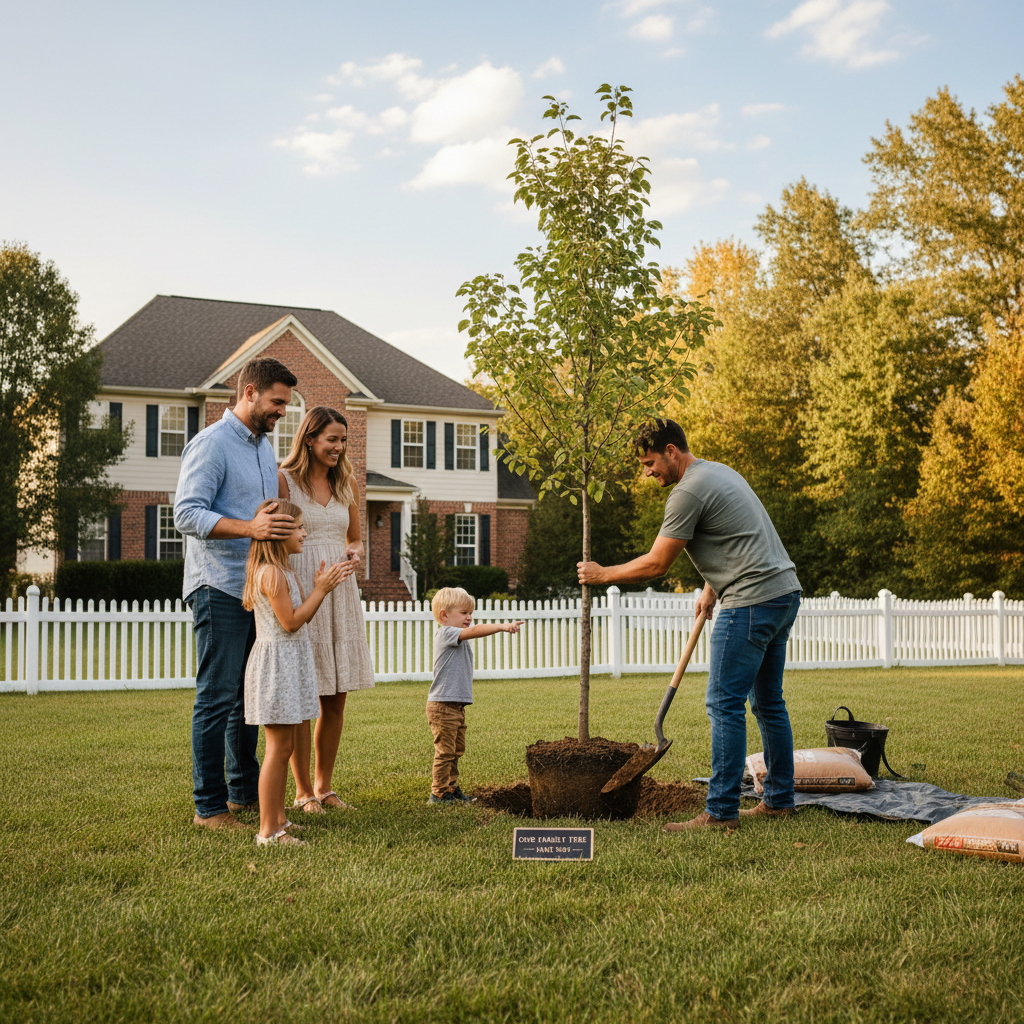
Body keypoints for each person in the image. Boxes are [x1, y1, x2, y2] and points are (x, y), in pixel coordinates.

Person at [577, 419, 802, 830]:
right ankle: (780, 800)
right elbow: (736, 536)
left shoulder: (687, 491)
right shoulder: (718, 472)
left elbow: (656, 563)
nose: (647, 472)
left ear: (671, 451)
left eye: (649, 463)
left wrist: (602, 574)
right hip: (783, 593)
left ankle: (720, 812)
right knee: (768, 702)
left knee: (723, 703)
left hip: (750, 601)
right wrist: (710, 586)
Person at [175, 357, 298, 831]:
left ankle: (245, 796)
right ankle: (209, 807)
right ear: (249, 393)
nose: (282, 411)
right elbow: (186, 514)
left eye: (285, 404)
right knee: (218, 696)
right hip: (218, 586)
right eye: (277, 402)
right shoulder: (211, 444)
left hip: (256, 590)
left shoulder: (265, 447)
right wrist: (250, 526)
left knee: (250, 698)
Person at [278, 406, 374, 813]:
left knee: (335, 696)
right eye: (331, 439)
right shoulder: (284, 482)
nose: (338, 447)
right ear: (309, 438)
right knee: (305, 692)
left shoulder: (347, 482)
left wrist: (353, 554)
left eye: (343, 440)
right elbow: (276, 539)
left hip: (341, 592)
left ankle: (325, 787)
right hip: (305, 589)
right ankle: (301, 793)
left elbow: (355, 538)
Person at [241, 498, 351, 846]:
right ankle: (268, 831)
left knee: (285, 746)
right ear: (280, 533)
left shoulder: (284, 570)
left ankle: (279, 818)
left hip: (290, 662)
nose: (305, 533)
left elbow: (296, 619)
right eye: (300, 528)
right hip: (277, 667)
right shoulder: (271, 573)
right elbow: (289, 623)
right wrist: (321, 589)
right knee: (276, 749)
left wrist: (319, 587)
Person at [427, 587, 524, 805]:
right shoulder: (446, 633)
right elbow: (476, 630)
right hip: (442, 705)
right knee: (445, 752)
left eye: (471, 613)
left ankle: (450, 788)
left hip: (455, 706)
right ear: (444, 615)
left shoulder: (457, 638)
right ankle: (438, 793)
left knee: (455, 750)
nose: (469, 617)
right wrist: (502, 626)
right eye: (464, 613)